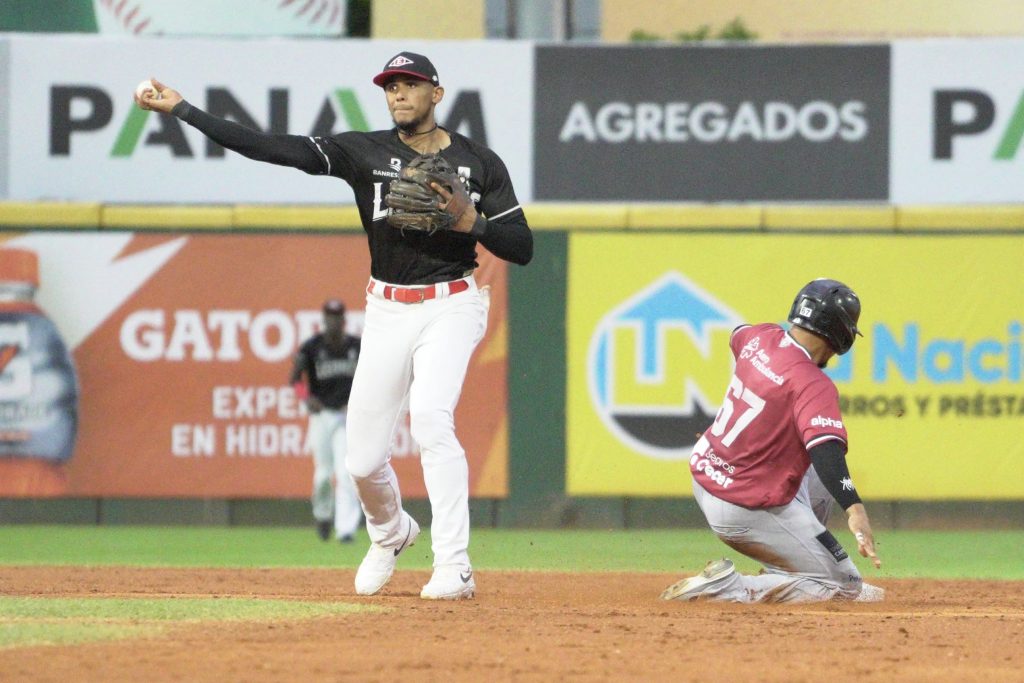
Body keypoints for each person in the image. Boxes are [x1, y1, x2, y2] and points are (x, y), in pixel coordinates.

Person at [135, 51, 532, 601]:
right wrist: (184, 109)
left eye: (410, 84)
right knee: (363, 460)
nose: (398, 94)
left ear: (436, 94)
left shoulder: (479, 162)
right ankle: (391, 531)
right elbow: (276, 148)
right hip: (387, 308)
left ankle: (455, 565)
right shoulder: (362, 151)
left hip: (453, 302)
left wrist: (473, 221)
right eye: (390, 86)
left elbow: (523, 247)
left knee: (433, 422)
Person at [661, 279, 883, 603]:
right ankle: (732, 588)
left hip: (708, 479)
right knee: (848, 586)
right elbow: (826, 452)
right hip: (744, 508)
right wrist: (855, 509)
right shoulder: (812, 383)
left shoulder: (759, 336)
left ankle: (793, 567)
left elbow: (738, 333)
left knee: (813, 469)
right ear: (842, 335)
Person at [290, 298, 362, 544]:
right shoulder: (312, 347)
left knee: (345, 473)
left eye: (337, 316)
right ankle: (322, 515)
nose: (333, 321)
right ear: (324, 320)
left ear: (343, 320)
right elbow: (296, 379)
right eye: (329, 316)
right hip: (321, 416)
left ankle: (346, 529)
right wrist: (306, 398)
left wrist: (358, 403)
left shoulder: (356, 346)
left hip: (345, 416)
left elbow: (369, 377)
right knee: (323, 475)